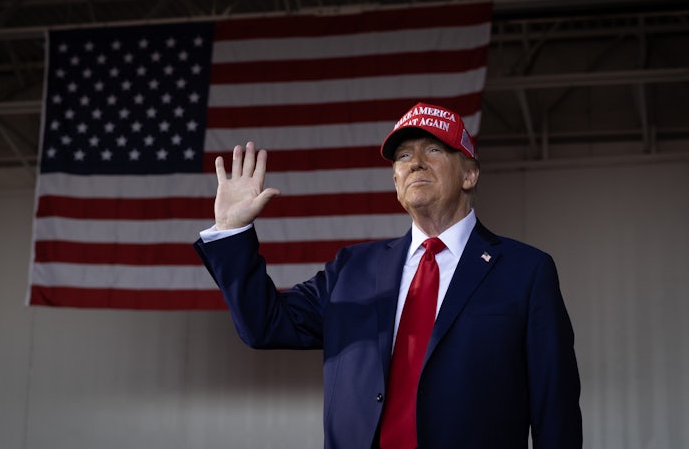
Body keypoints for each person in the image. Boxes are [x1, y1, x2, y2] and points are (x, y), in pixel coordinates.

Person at [194, 102, 582, 449]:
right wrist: (232, 232)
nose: (415, 162)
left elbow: (555, 407)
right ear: (396, 182)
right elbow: (264, 325)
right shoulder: (353, 268)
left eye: (434, 149)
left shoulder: (525, 271)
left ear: (469, 175)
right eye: (403, 156)